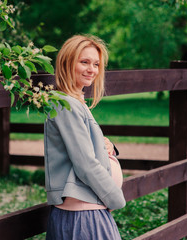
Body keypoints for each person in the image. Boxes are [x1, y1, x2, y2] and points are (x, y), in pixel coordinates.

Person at [44, 35, 126, 240]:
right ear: (67, 63)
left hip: (88, 209)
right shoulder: (65, 105)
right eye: (84, 62)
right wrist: (116, 199)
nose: (92, 69)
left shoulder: (75, 103)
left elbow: (85, 146)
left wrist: (108, 146)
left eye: (96, 64)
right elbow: (85, 164)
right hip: (82, 215)